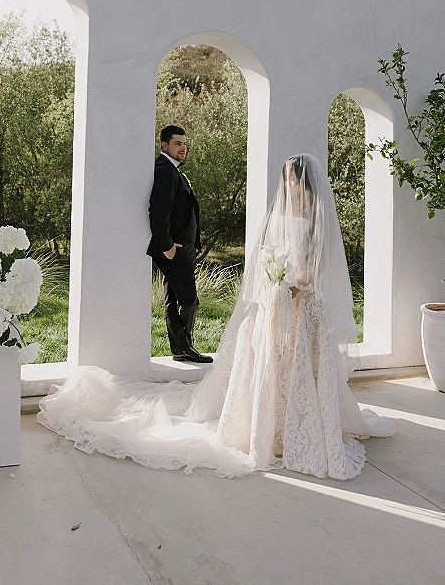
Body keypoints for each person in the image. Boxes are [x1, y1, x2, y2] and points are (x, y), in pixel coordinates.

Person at [39, 154, 393, 480]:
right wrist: (274, 282)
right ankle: (262, 426)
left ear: (304, 182)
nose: (287, 186)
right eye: (285, 179)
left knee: (300, 366)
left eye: (291, 180)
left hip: (302, 301)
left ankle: (299, 425)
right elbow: (264, 254)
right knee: (267, 364)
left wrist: (298, 284)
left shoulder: (317, 215)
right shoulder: (275, 211)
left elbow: (319, 263)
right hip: (274, 300)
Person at [146, 125, 212, 363]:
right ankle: (185, 347)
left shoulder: (174, 171)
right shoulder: (165, 171)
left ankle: (180, 349)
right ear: (164, 146)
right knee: (189, 300)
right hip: (174, 250)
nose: (183, 148)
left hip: (182, 249)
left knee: (173, 300)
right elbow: (158, 211)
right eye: (177, 144)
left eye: (184, 144)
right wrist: (167, 246)